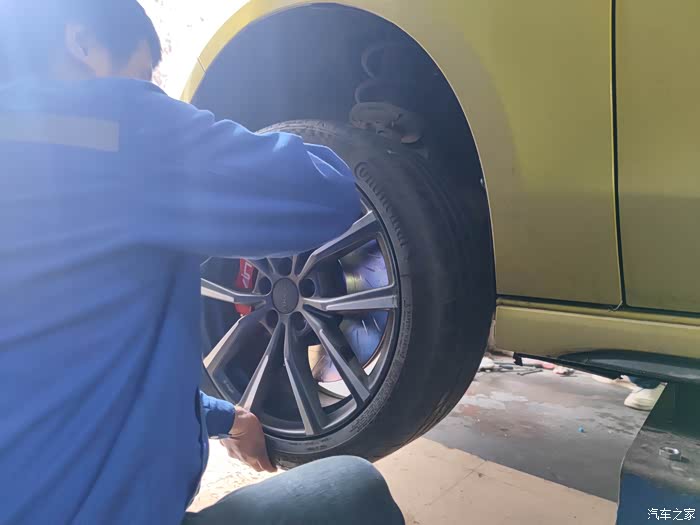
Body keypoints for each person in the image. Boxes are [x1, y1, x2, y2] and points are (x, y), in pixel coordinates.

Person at [0, 2, 404, 524]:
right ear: (81, 42)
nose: (146, 91)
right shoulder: (109, 126)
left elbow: (54, 363)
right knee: (356, 489)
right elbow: (327, 193)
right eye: (142, 75)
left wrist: (221, 416)